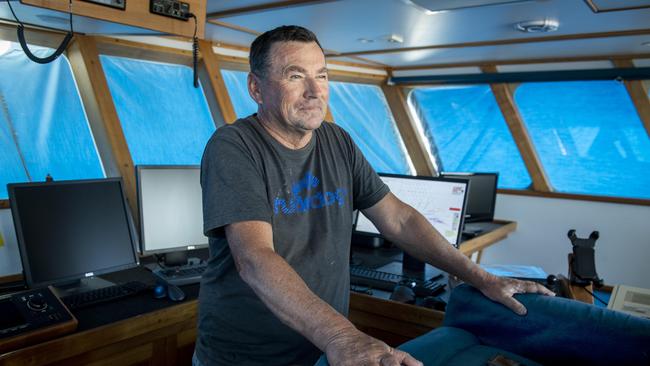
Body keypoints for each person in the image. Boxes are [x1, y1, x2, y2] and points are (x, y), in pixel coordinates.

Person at [195, 25, 554, 366]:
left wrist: (483, 278)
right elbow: (255, 258)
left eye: (321, 75)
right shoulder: (233, 147)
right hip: (247, 354)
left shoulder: (337, 141)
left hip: (319, 348)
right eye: (294, 76)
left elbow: (399, 219)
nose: (315, 91)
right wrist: (343, 336)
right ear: (256, 89)